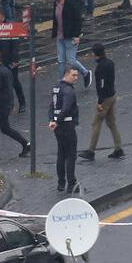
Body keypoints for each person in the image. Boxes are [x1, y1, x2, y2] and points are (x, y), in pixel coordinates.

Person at [0, 49, 30, 159]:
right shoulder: (6, 70)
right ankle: (25, 144)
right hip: (4, 104)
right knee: (2, 128)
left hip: (0, 105)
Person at [79, 44, 122, 161]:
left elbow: (101, 85)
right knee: (112, 123)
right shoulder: (110, 63)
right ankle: (118, 148)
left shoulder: (100, 67)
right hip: (112, 95)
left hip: (105, 99)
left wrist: (100, 102)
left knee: (96, 123)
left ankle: (91, 151)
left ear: (95, 54)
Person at [50, 66, 82, 195]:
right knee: (71, 155)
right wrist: (58, 121)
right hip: (67, 124)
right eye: (73, 75)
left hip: (57, 126)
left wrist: (52, 120)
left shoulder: (56, 88)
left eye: (77, 76)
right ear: (66, 75)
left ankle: (60, 183)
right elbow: (67, 107)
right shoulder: (68, 90)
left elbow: (51, 107)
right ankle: (71, 183)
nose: (76, 78)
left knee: (61, 154)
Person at [50, 0, 89, 82]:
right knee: (61, 61)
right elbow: (56, 19)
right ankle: (62, 81)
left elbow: (78, 19)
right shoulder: (56, 3)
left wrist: (77, 35)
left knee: (71, 60)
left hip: (70, 36)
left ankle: (85, 72)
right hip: (60, 36)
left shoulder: (71, 3)